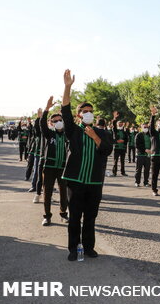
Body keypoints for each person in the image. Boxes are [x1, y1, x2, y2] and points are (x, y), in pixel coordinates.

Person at [61, 69, 113, 261]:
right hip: (75, 181)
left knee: (90, 218)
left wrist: (95, 136)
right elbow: (65, 110)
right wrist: (67, 87)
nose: (88, 114)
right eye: (84, 112)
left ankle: (89, 247)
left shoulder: (103, 133)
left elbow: (107, 150)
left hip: (94, 182)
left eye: (91, 111)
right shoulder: (73, 131)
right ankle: (73, 248)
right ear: (78, 115)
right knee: (74, 218)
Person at [40, 96, 69, 226]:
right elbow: (41, 124)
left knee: (64, 192)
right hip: (49, 167)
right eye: (55, 121)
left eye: (60, 120)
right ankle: (47, 216)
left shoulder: (68, 134)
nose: (58, 122)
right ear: (51, 123)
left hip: (63, 167)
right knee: (47, 192)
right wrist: (46, 109)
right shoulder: (49, 134)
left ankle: (63, 213)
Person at [111, 111, 129, 177]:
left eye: (121, 124)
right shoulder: (115, 130)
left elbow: (127, 139)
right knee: (115, 161)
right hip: (117, 148)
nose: (120, 124)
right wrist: (115, 118)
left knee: (122, 161)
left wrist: (123, 141)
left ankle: (123, 172)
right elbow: (114, 124)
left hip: (123, 148)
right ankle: (114, 172)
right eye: (119, 123)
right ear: (117, 124)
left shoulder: (124, 132)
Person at [134, 122, 152, 187]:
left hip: (148, 155)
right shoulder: (138, 135)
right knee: (138, 169)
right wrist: (145, 150)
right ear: (141, 128)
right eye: (144, 127)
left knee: (147, 170)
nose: (146, 128)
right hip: (140, 155)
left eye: (147, 127)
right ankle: (137, 182)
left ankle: (146, 182)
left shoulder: (150, 135)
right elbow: (137, 145)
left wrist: (151, 150)